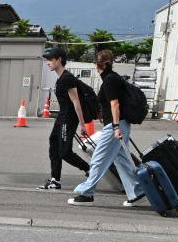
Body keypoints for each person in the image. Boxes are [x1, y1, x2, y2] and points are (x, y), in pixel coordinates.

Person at [68, 48, 137, 206]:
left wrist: (115, 126)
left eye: (96, 62)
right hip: (120, 125)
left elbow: (115, 104)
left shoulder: (110, 80)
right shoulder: (114, 77)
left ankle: (87, 194)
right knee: (122, 160)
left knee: (98, 159)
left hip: (115, 127)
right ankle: (137, 191)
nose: (94, 65)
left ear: (100, 64)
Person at [37, 48, 90, 191]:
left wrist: (83, 125)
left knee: (65, 152)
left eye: (50, 59)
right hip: (62, 116)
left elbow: (76, 102)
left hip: (69, 118)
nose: (48, 63)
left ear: (59, 60)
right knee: (53, 144)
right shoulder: (60, 78)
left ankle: (88, 169)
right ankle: (55, 180)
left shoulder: (68, 78)